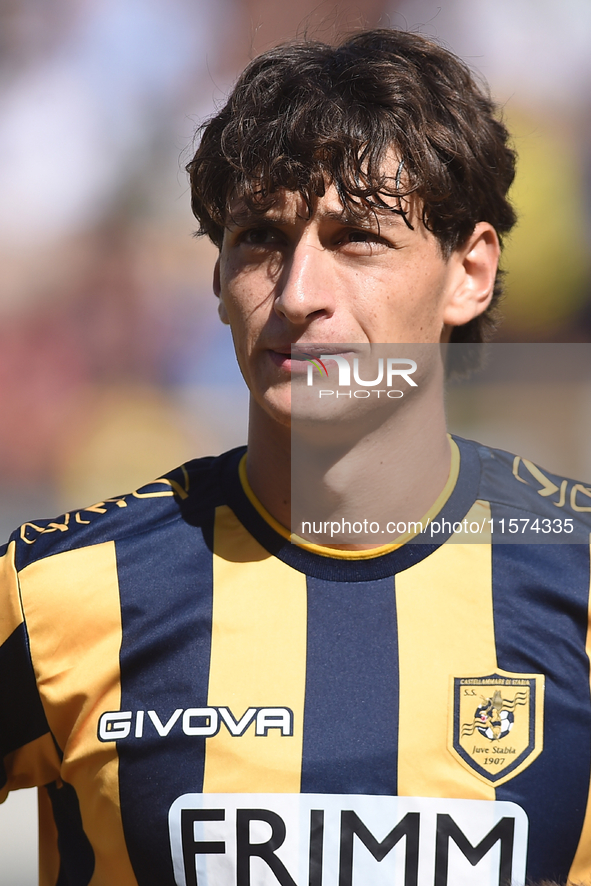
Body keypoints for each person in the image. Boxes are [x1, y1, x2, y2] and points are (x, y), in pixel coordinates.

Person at [1, 28, 590, 886]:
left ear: (468, 272)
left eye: (356, 239)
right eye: (260, 239)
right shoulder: (59, 590)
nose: (298, 294)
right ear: (216, 279)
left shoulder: (574, 576)